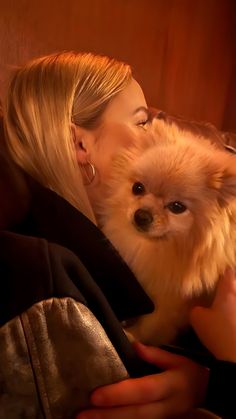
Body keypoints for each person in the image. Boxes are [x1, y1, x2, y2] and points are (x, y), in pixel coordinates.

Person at [1, 51, 235, 418]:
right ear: (80, 146)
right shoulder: (49, 274)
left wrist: (204, 382)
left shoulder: (84, 241)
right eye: (143, 122)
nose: (162, 133)